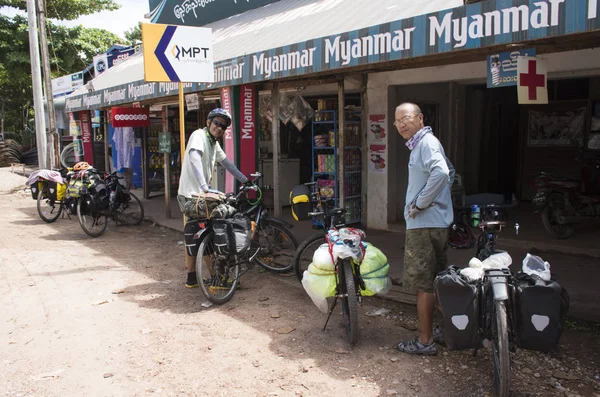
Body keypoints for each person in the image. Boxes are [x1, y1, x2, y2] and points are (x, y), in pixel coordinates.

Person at [394, 102, 454, 356]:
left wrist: (419, 203)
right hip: (434, 222)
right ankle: (439, 330)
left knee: (424, 285)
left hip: (424, 225)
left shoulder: (426, 143)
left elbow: (441, 173)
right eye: (397, 121)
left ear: (420, 119)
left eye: (405, 118)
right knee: (437, 281)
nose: (401, 124)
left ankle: (425, 340)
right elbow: (447, 171)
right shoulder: (424, 144)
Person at [177, 108, 249, 288]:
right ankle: (216, 279)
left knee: (193, 233)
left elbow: (226, 163)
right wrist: (204, 187)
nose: (220, 127)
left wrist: (244, 179)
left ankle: (191, 277)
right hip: (191, 195)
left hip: (198, 195)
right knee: (209, 231)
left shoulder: (213, 143)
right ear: (209, 122)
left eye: (223, 126)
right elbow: (194, 157)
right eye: (217, 123)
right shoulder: (199, 135)